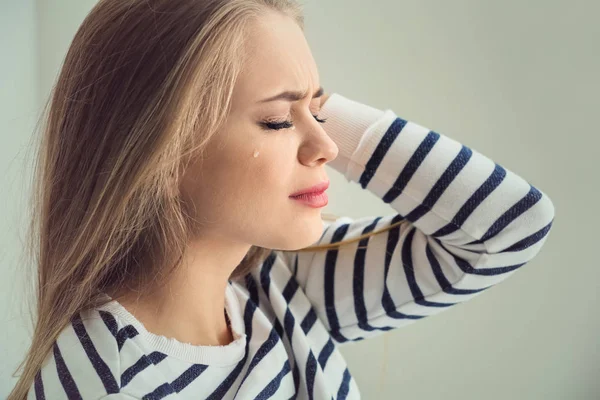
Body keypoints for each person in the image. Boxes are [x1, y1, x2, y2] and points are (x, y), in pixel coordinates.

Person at [9, 0, 555, 399]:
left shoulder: (277, 288)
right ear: (159, 150)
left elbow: (509, 226)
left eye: (319, 111)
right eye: (275, 120)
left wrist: (302, 98)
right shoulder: (108, 383)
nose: (326, 146)